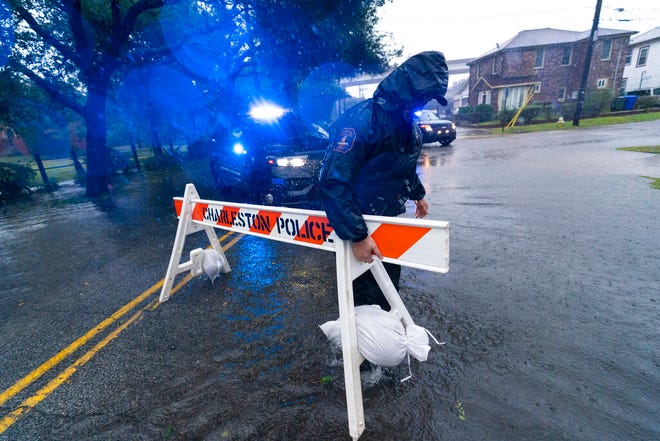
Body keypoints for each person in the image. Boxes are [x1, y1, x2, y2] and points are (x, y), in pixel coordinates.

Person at [318, 51, 449, 311]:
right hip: (360, 218)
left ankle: (384, 337)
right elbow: (333, 181)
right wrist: (357, 236)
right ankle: (365, 348)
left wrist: (417, 193)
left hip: (387, 218)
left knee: (388, 289)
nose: (425, 103)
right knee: (366, 296)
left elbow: (402, 163)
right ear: (410, 87)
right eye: (425, 95)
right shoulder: (363, 120)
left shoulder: (406, 121)